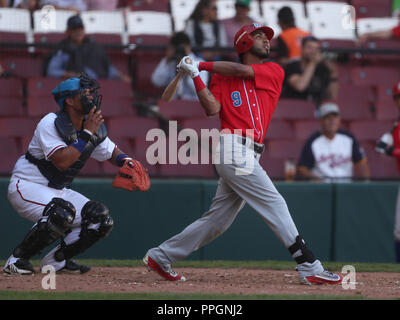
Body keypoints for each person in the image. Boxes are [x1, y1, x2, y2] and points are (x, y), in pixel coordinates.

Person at [143, 23, 342, 285]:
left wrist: (200, 65)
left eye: (266, 38)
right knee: (274, 202)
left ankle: (161, 255)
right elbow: (212, 108)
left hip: (249, 153)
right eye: (259, 36)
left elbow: (238, 69)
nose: (267, 41)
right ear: (244, 42)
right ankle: (308, 263)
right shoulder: (222, 78)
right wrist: (195, 76)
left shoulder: (273, 70)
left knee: (218, 221)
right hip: (233, 148)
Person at [2, 73, 146, 275]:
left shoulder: (90, 123)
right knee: (60, 214)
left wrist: (127, 161)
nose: (91, 97)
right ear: (69, 100)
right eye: (85, 93)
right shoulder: (50, 122)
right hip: (27, 186)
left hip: (58, 191)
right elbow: (62, 161)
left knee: (100, 219)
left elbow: (110, 151)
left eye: (91, 92)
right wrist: (87, 133)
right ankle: (17, 260)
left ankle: (56, 262)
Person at [296, 102, 370, 182]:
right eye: (327, 117)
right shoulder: (313, 141)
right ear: (321, 120)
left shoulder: (349, 138)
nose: (332, 120)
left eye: (335, 117)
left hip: (346, 187)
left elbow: (362, 164)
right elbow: (302, 169)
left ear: (339, 119)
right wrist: (317, 180)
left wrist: (366, 183)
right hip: (322, 188)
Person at [46, 15, 131, 83]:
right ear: (68, 31)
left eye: (80, 29)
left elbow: (107, 67)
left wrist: (120, 76)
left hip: (99, 87)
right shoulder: (64, 49)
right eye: (74, 29)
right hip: (77, 91)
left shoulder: (93, 46)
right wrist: (71, 75)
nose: (78, 32)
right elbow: (52, 71)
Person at [375, 81, 400, 263]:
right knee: (399, 231)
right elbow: (381, 146)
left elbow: (389, 149)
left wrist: (392, 151)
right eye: (398, 98)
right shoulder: (397, 124)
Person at [281, 36, 338, 107]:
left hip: (316, 109)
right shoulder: (292, 65)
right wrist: (313, 63)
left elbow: (332, 96)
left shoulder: (322, 68)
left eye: (317, 49)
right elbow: (300, 86)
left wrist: (333, 73)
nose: (313, 51)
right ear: (302, 49)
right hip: (293, 108)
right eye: (309, 48)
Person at [151, 32, 209, 101]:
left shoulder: (199, 63)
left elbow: (198, 90)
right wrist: (167, 60)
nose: (179, 51)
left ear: (188, 47)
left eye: (182, 48)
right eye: (177, 48)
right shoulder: (170, 63)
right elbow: (157, 81)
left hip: (194, 104)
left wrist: (188, 66)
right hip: (173, 104)